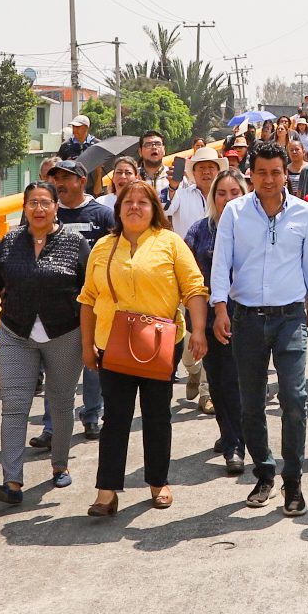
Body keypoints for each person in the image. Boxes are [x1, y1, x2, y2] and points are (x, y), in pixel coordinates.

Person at [210, 141, 308, 517]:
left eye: (275, 172)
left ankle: (292, 481)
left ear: (286, 174)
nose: (268, 179)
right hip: (245, 317)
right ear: (251, 174)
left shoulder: (303, 213)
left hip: (290, 318)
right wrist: (219, 307)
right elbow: (221, 261)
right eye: (261, 172)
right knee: (251, 403)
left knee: (294, 399)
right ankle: (263, 471)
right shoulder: (234, 212)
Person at [78, 181, 209, 517]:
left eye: (143, 202)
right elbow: (88, 299)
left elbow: (194, 288)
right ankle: (106, 491)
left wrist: (197, 331)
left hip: (160, 344)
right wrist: (87, 345)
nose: (134, 207)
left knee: (156, 415)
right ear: (119, 209)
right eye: (128, 202)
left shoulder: (170, 243)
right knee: (115, 419)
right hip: (113, 343)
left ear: (155, 209)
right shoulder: (104, 247)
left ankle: (158, 481)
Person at [0, 182, 89, 505]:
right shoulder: (11, 240)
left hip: (65, 335)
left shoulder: (74, 242)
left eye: (45, 203)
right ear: (24, 208)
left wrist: (91, 338)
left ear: (57, 206)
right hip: (16, 334)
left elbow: (89, 293)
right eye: (32, 203)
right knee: (14, 407)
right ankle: (11, 482)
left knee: (60, 401)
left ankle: (60, 465)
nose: (38, 209)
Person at [42, 158, 113, 440]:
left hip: (94, 302)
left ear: (82, 182)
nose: (59, 183)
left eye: (66, 178)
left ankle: (92, 414)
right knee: (55, 368)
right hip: (57, 303)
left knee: (93, 362)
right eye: (55, 178)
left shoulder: (103, 214)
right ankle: (52, 426)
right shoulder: (48, 213)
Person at [187, 168, 248, 468]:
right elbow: (188, 277)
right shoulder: (199, 231)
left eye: (234, 193)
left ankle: (237, 443)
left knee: (236, 381)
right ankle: (229, 434)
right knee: (218, 382)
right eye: (221, 193)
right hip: (210, 318)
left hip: (247, 317)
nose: (227, 199)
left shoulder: (255, 227)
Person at [165, 147, 220, 405]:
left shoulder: (226, 196)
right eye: (201, 167)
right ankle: (194, 372)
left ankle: (207, 393)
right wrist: (172, 187)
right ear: (193, 172)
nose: (207, 171)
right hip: (184, 274)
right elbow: (164, 209)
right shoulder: (181, 195)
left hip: (215, 274)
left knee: (208, 333)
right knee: (186, 336)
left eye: (211, 167)